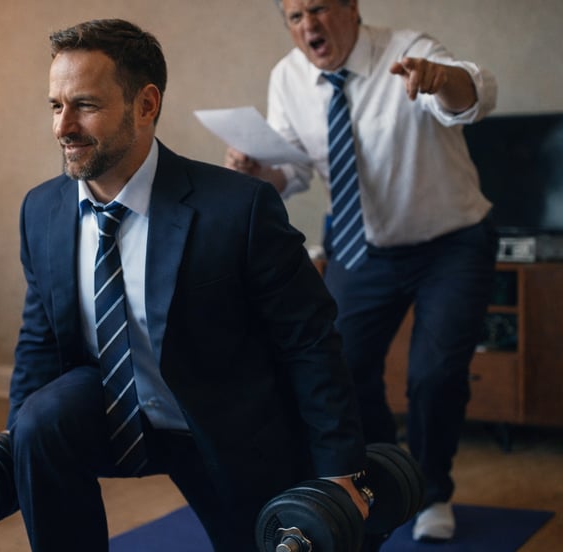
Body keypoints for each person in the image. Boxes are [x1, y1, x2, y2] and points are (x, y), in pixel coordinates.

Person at [7, 18, 371, 551]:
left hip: (227, 425)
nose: (64, 126)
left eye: (84, 105)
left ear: (146, 105)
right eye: (55, 106)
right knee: (40, 420)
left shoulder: (238, 208)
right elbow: (38, 342)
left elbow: (310, 344)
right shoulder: (41, 210)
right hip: (112, 416)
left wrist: (342, 472)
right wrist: (13, 448)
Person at [225, 0, 499, 543]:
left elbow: (475, 98)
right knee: (340, 369)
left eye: (319, 9)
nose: (308, 27)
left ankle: (435, 490)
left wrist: (442, 80)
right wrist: (260, 172)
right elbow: (293, 171)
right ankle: (392, 477)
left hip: (451, 245)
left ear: (350, 8)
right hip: (364, 248)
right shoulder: (288, 77)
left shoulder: (409, 50)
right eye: (295, 17)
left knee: (434, 375)